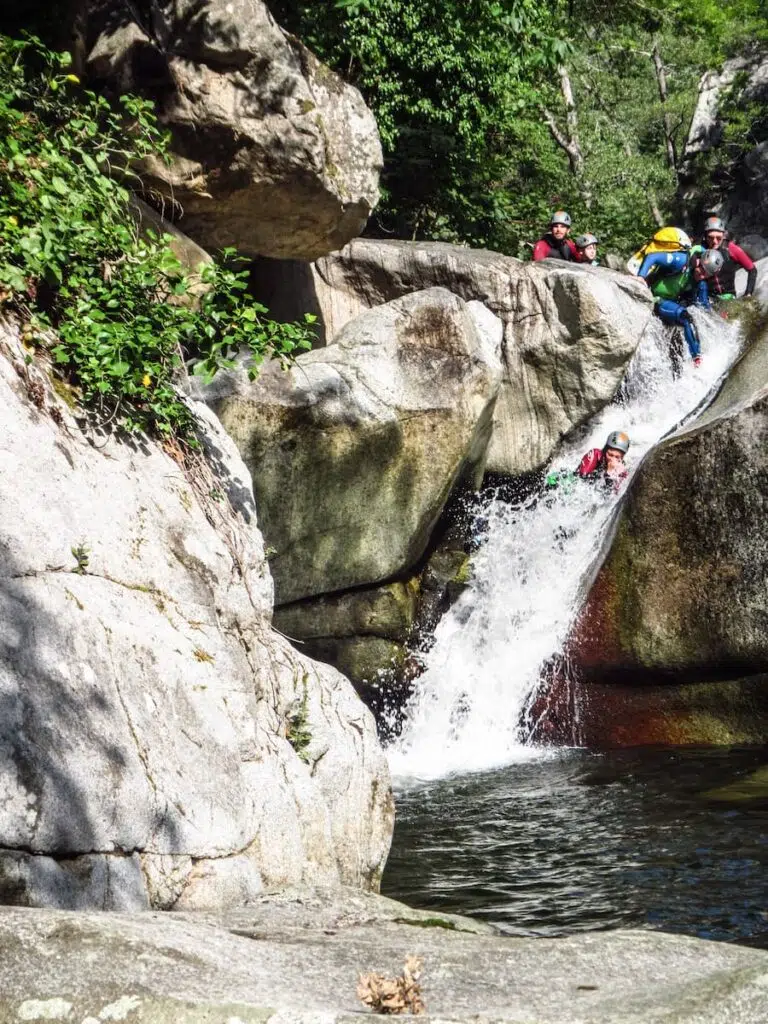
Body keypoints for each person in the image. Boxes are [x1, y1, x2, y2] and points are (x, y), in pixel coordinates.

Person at [637, 243, 724, 367]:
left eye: (707, 274)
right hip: (655, 298)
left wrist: (718, 319)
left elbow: (705, 308)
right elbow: (653, 257)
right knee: (685, 317)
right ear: (699, 262)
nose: (702, 275)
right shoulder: (681, 260)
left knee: (689, 318)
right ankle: (697, 359)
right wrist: (641, 277)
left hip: (671, 304)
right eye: (703, 270)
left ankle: (697, 359)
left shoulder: (701, 283)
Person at [545, 431, 630, 493]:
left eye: (617, 457)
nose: (612, 459)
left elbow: (612, 495)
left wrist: (609, 475)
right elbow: (582, 479)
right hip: (573, 482)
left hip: (592, 491)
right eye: (610, 454)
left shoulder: (622, 470)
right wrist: (608, 472)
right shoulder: (596, 454)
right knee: (552, 481)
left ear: (622, 457)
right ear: (605, 450)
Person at [700, 215, 757, 302]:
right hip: (708, 298)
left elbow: (752, 270)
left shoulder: (731, 248)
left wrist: (748, 293)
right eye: (710, 238)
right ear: (705, 236)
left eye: (719, 238)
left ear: (723, 235)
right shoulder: (700, 250)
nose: (715, 241)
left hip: (728, 296)